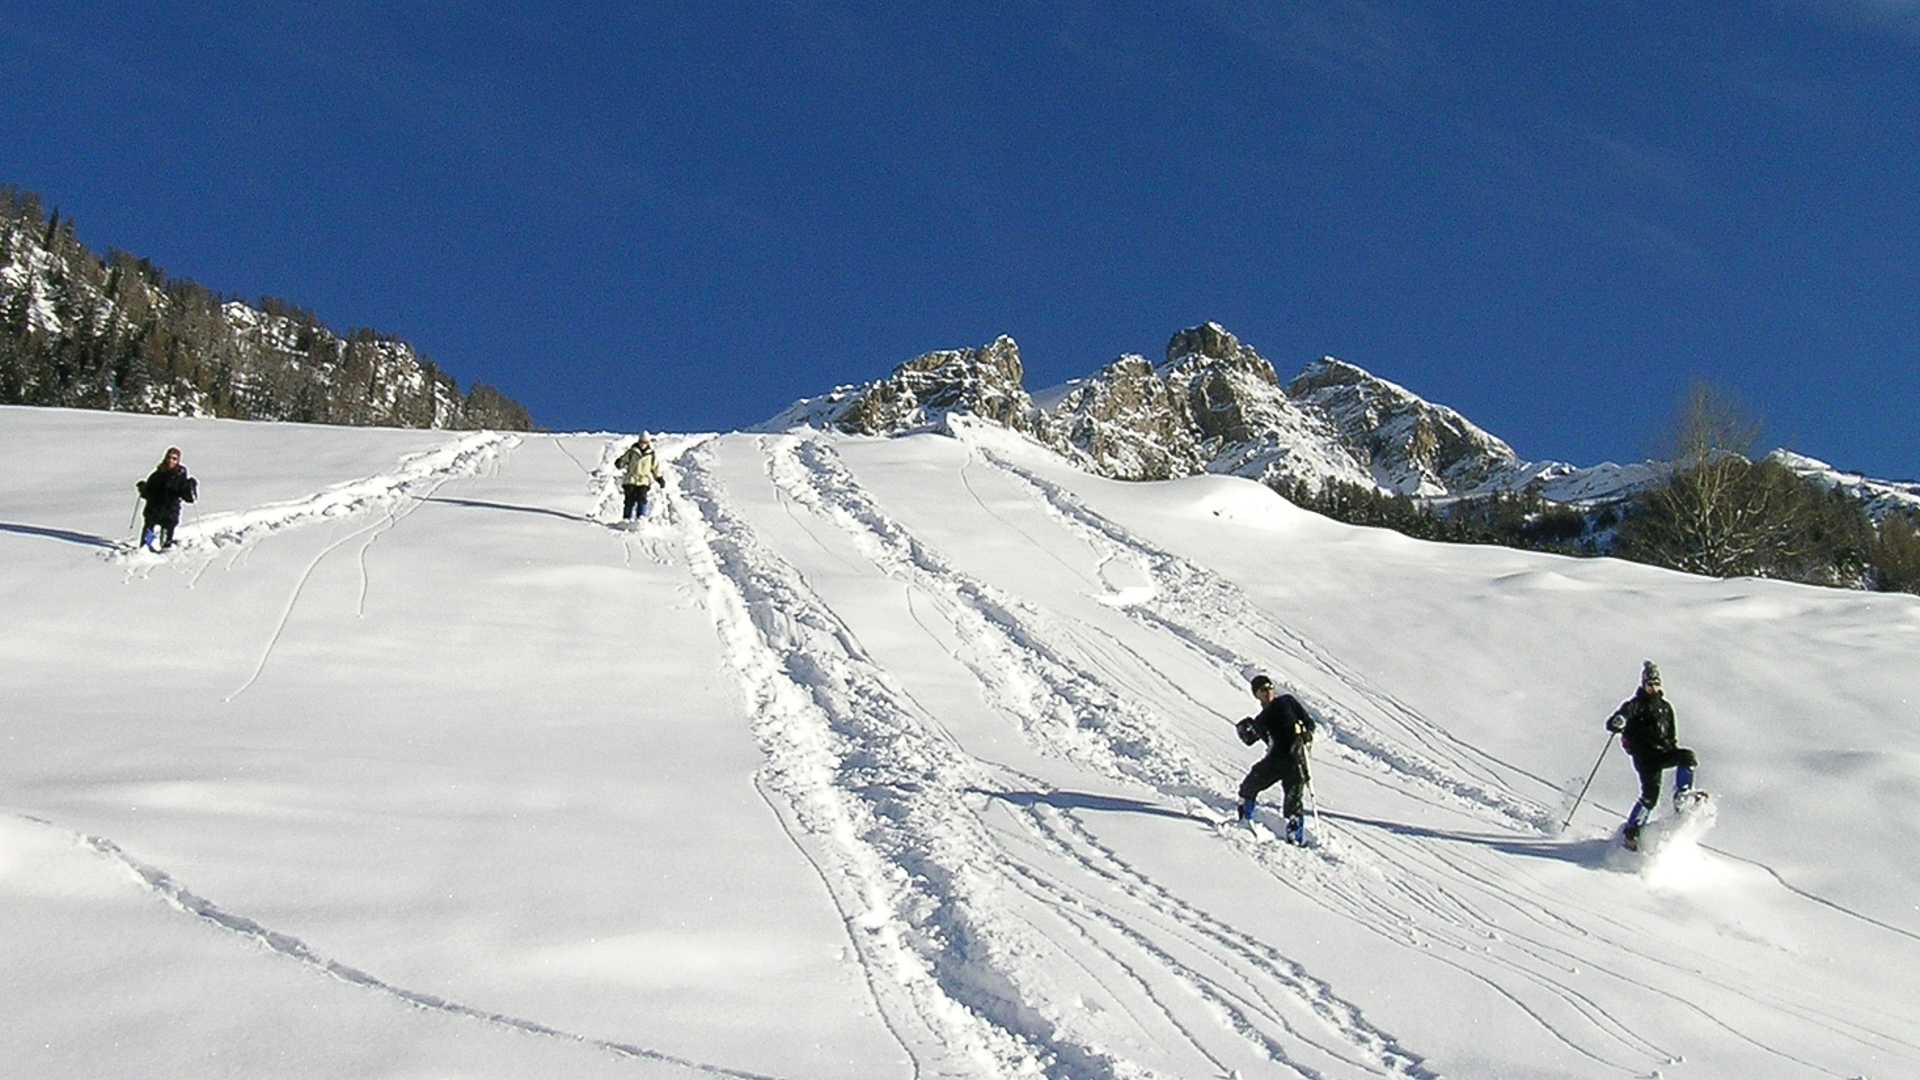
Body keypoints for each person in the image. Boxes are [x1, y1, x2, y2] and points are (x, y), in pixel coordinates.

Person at [1605, 661, 1701, 850]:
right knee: (1650, 796)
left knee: (1687, 757)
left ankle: (1682, 795)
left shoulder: (1665, 707)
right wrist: (1619, 721)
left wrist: (1671, 747)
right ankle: (1632, 831)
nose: (1653, 687)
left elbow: (1672, 733)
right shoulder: (1636, 705)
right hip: (1646, 757)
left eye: (1656, 684)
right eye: (1650, 684)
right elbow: (1618, 719)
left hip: (1663, 752)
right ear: (1643, 684)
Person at [1235, 674, 1316, 844]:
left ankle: (1295, 837)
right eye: (1263, 689)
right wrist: (1244, 728)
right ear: (1256, 694)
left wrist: (1306, 734)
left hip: (1295, 759)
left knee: (1293, 801)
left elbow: (1309, 723)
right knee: (1249, 786)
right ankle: (1244, 821)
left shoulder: (1286, 702)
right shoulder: (1261, 719)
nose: (1268, 692)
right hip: (1275, 759)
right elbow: (1249, 739)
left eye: (1270, 687)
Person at [135, 446, 198, 550]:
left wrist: (191, 487)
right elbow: (147, 493)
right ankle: (145, 548)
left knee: (166, 546)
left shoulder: (180, 476)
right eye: (169, 457)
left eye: (174, 458)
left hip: (170, 513)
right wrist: (142, 488)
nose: (170, 461)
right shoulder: (157, 474)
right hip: (153, 511)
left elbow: (189, 498)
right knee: (144, 545)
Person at [614, 435, 663, 520]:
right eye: (641, 442)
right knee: (629, 500)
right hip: (631, 480)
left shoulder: (651, 455)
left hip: (643, 480)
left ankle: (641, 518)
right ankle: (626, 518)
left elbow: (655, 468)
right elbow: (624, 460)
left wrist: (659, 478)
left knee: (642, 499)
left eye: (645, 442)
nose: (642, 444)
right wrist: (619, 463)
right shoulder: (632, 452)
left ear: (648, 443)